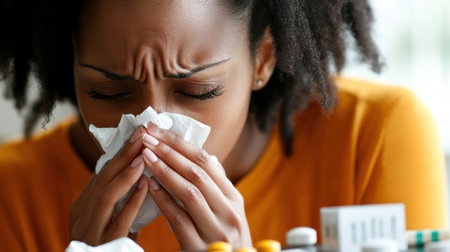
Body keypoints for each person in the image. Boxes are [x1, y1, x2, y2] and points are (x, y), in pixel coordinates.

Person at [0, 0, 447, 251]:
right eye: (109, 94)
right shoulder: (13, 192)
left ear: (263, 60)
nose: (149, 133)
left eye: (198, 91)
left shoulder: (372, 139)